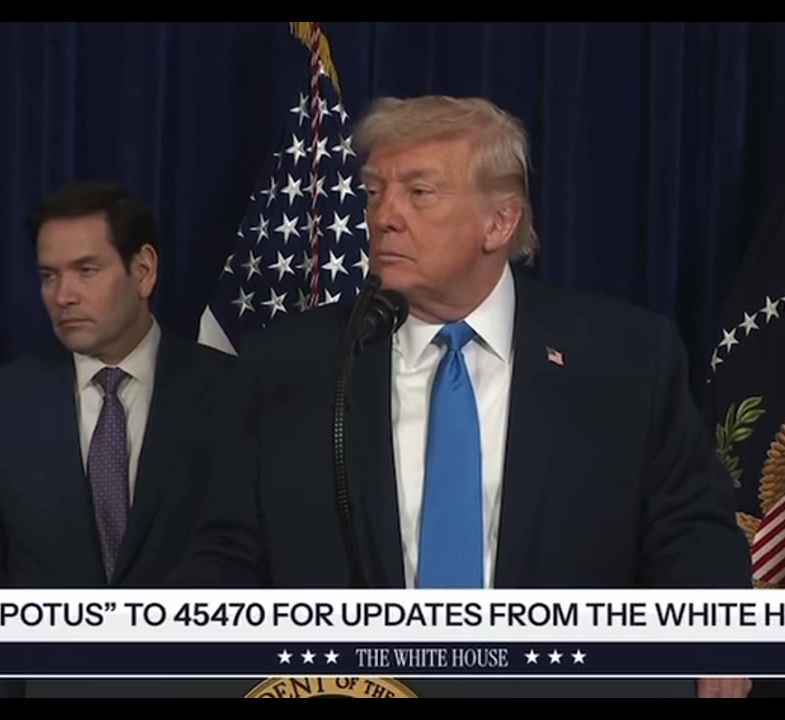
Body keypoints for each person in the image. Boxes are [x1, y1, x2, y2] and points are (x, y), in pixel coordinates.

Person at [174, 96, 753, 698]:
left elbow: (691, 531)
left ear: (499, 222)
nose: (385, 216)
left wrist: (712, 626)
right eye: (374, 191)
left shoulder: (626, 360)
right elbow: (227, 552)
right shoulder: (290, 366)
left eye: (419, 193)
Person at [0, 181, 234, 696]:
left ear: (143, 271)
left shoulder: (232, 393)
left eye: (86, 270)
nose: (63, 295)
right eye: (49, 276)